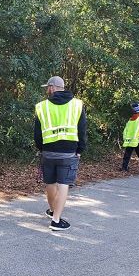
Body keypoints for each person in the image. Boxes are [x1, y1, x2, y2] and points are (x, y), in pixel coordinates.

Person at [34, 76, 87, 231]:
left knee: (50, 183)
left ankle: (52, 211)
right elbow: (82, 130)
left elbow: (37, 134)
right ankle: (56, 220)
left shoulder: (42, 107)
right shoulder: (77, 105)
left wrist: (41, 149)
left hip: (48, 152)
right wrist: (80, 150)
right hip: (68, 152)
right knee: (63, 184)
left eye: (47, 87)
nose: (47, 90)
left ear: (52, 87)